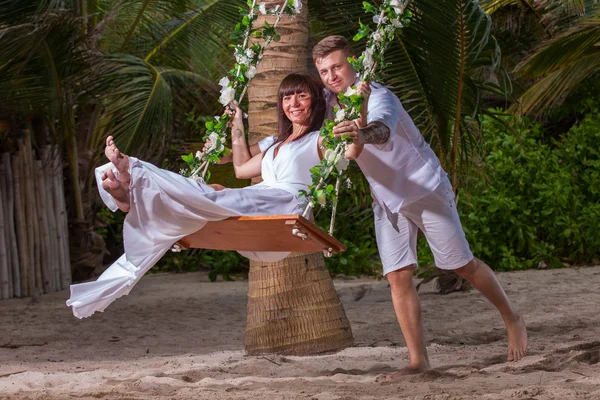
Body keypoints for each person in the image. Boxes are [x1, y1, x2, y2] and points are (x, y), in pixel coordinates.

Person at [248, 36, 527, 375]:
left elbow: (380, 131)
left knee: (461, 265)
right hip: (387, 201)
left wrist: (361, 134)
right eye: (324, 71)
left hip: (424, 191)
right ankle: (418, 359)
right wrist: (259, 143)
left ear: (354, 62)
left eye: (337, 66)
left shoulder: (380, 97)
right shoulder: (328, 100)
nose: (331, 76)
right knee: (397, 276)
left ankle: (512, 318)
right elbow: (298, 117)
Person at [66, 73, 362, 319]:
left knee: (212, 197)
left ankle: (133, 176)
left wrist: (358, 120)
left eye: (302, 96)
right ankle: (129, 194)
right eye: (287, 97)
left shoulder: (321, 137)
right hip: (263, 197)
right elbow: (242, 167)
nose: (293, 103)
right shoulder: (277, 144)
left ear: (315, 102)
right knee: (212, 192)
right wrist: (236, 122)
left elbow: (350, 151)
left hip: (286, 204)